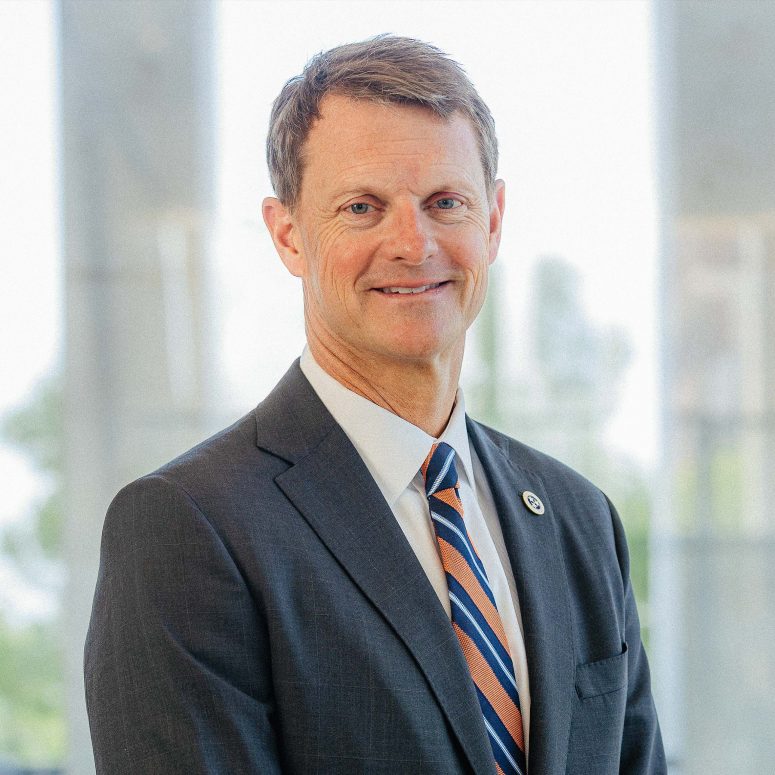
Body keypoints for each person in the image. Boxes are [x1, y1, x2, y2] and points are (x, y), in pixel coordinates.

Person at [84, 35, 666, 775]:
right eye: (362, 207)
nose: (412, 244)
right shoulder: (188, 528)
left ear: (492, 220)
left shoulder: (580, 520)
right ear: (288, 235)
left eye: (445, 203)